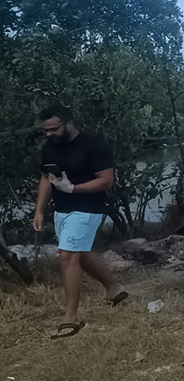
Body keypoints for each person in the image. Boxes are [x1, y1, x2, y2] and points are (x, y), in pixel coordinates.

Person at [33, 106, 128, 339]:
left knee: (68, 256)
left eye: (53, 129)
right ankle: (114, 289)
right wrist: (39, 210)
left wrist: (74, 188)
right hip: (62, 209)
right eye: (45, 130)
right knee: (81, 254)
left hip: (88, 208)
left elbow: (106, 181)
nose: (49, 134)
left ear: (68, 122)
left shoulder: (94, 146)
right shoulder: (49, 147)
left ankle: (70, 317)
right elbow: (46, 178)